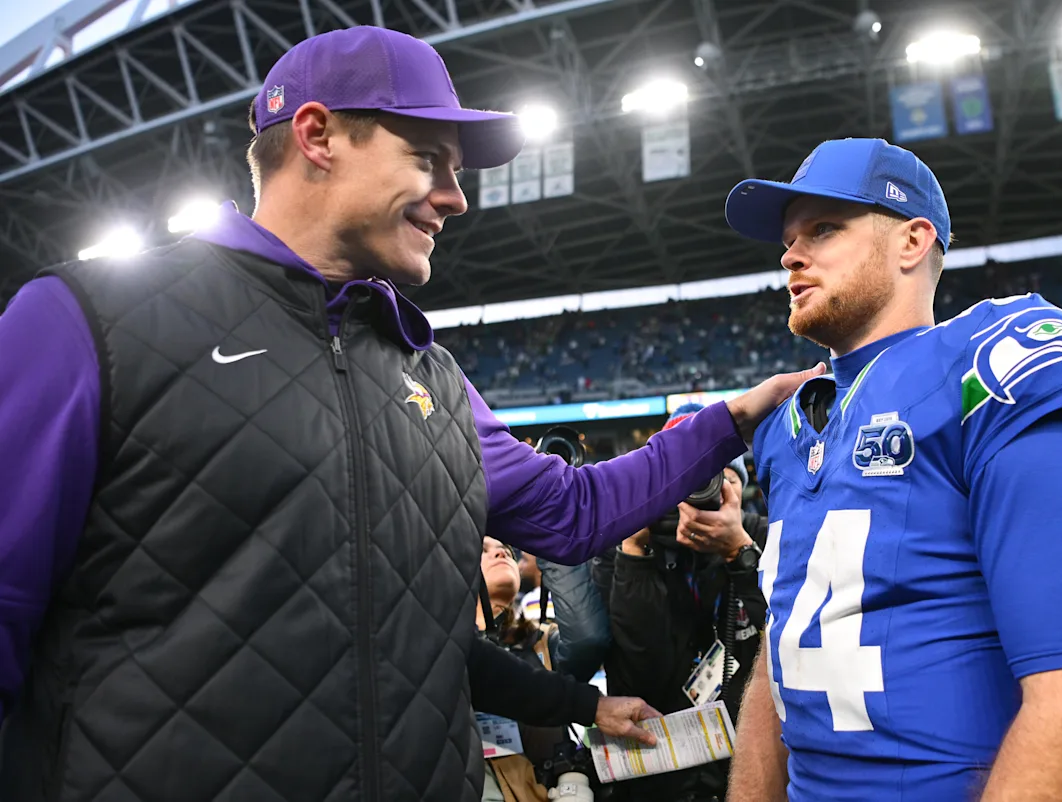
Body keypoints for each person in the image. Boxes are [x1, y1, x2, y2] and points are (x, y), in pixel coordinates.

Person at [0, 27, 819, 802]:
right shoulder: (90, 321)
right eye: (429, 160)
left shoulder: (432, 376)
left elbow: (573, 512)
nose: (455, 198)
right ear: (317, 137)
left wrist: (735, 416)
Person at [721, 137, 1062, 801]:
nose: (791, 255)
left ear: (913, 241)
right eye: (789, 240)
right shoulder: (786, 424)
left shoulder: (987, 366)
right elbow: (782, 660)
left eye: (824, 229)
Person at [603, 406, 769, 802]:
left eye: (719, 477)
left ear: (739, 488)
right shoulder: (625, 544)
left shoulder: (761, 536)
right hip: (656, 769)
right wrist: (635, 550)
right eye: (687, 477)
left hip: (746, 761)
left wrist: (740, 554)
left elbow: (780, 649)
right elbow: (639, 671)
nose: (700, 491)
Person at [471, 537, 656, 802]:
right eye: (482, 549)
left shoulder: (539, 643)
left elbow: (587, 639)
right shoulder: (436, 645)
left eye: (507, 550)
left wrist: (549, 539)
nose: (501, 552)